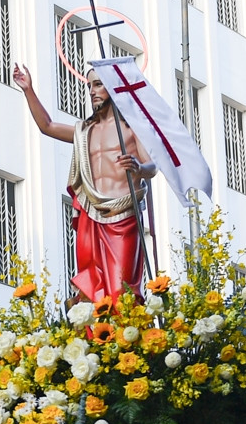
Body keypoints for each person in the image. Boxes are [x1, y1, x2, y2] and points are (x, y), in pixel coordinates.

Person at [14, 62, 154, 300]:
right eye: (90, 86)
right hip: (91, 214)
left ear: (114, 88)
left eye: (98, 85)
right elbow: (47, 126)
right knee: (91, 288)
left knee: (122, 290)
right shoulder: (84, 131)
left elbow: (152, 166)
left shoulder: (132, 128)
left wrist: (139, 168)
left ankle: (123, 332)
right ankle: (93, 334)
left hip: (123, 216)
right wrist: (28, 90)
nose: (92, 91)